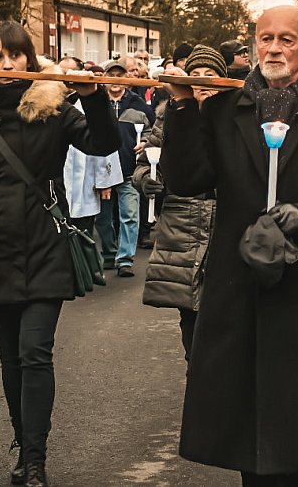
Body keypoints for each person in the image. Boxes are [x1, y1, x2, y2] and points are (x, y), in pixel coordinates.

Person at [160, 5, 298, 486]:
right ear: (253, 44)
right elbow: (187, 179)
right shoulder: (224, 109)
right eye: (266, 39)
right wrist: (181, 107)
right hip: (239, 291)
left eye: (287, 39)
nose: (275, 49)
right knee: (250, 439)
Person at [0, 21, 120, 486]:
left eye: (14, 56)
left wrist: (95, 96)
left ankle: (37, 459)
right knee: (10, 358)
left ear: (29, 59)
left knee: (34, 352)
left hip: (46, 242)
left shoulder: (52, 107)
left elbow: (103, 144)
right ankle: (23, 445)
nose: (5, 66)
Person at [132, 45, 226, 362]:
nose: (202, 81)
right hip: (181, 228)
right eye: (195, 75)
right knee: (190, 321)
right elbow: (146, 161)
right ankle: (196, 390)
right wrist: (146, 178)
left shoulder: (233, 119)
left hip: (222, 225)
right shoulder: (168, 118)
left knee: (221, 322)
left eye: (209, 75)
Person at [94, 59, 154, 277]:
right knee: (102, 218)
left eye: (120, 75)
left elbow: (152, 131)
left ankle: (125, 259)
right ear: (105, 79)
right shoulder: (97, 103)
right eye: (111, 75)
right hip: (103, 173)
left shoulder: (138, 104)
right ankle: (109, 254)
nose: (115, 80)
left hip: (129, 169)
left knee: (129, 215)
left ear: (126, 80)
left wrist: (146, 142)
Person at [58, 56, 123, 250]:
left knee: (84, 235)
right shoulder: (50, 105)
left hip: (84, 183)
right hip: (59, 184)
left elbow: (105, 143)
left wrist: (104, 182)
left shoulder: (89, 103)